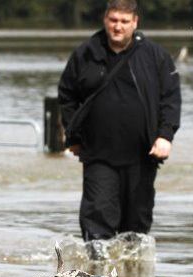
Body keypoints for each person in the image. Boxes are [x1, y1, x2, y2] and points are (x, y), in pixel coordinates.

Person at [57, 0, 181, 246]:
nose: (118, 27)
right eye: (113, 20)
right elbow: (67, 96)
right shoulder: (86, 54)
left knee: (136, 230)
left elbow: (170, 99)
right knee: (97, 225)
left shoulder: (156, 56)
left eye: (124, 22)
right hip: (98, 155)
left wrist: (165, 136)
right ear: (105, 20)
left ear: (135, 23)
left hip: (143, 153)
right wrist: (73, 138)